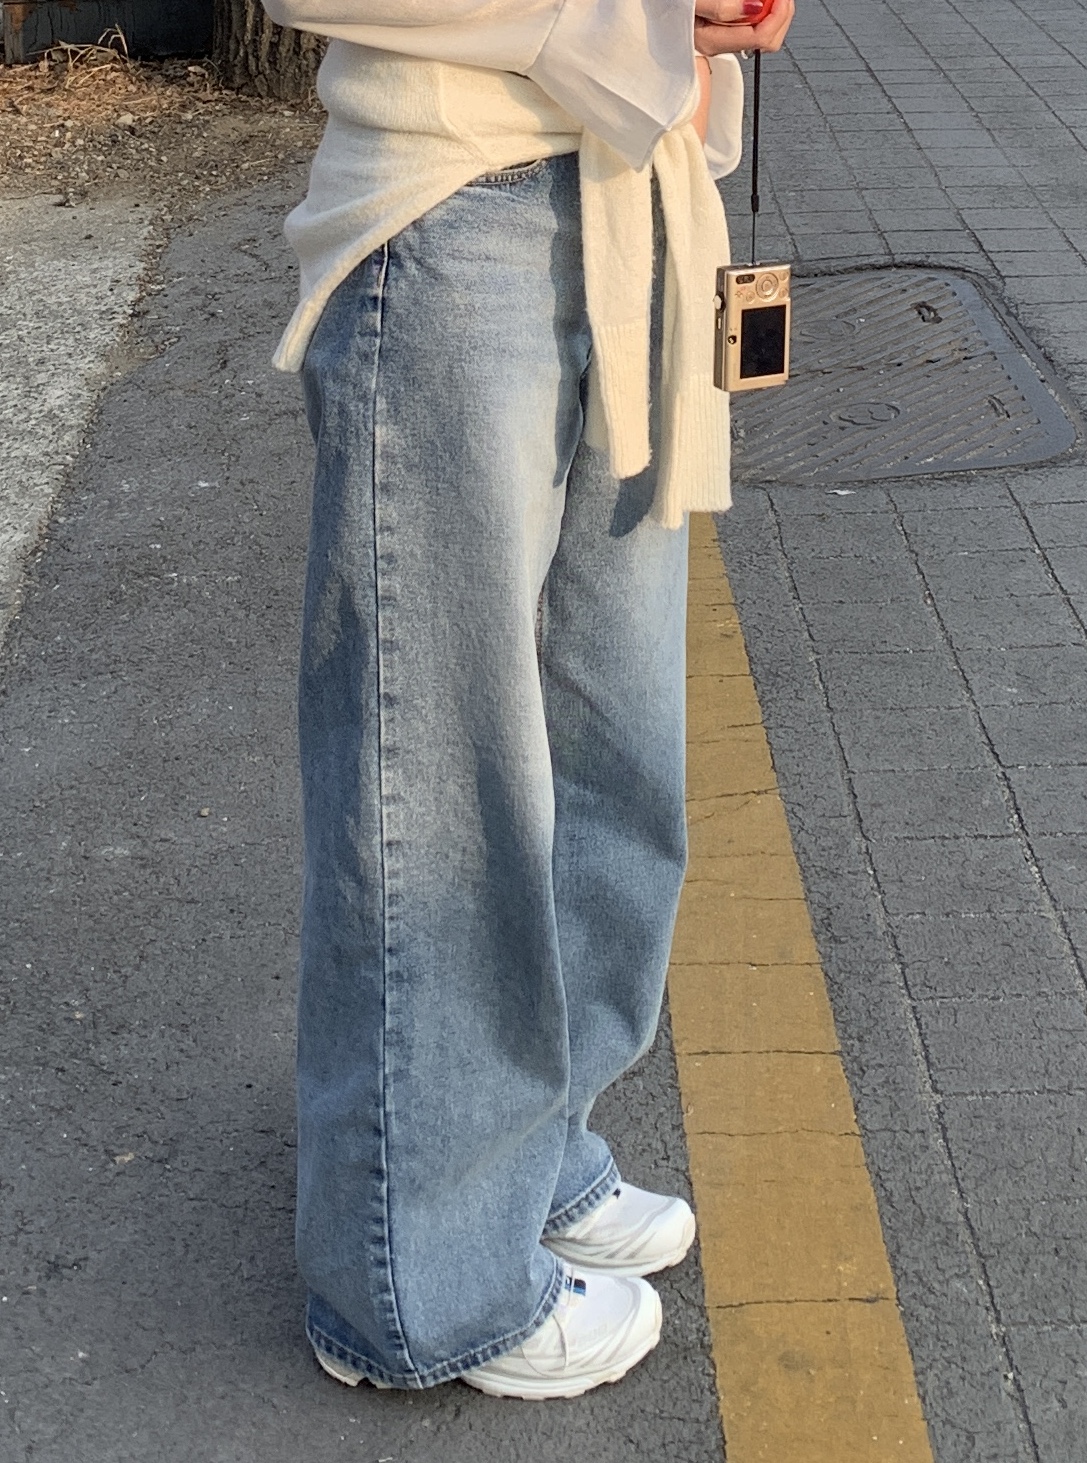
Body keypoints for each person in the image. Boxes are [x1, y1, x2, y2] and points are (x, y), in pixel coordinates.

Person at [262, 0, 794, 1400]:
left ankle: (524, 1149)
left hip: (636, 197)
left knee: (615, 749)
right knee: (438, 780)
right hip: (453, 211)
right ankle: (416, 1285)